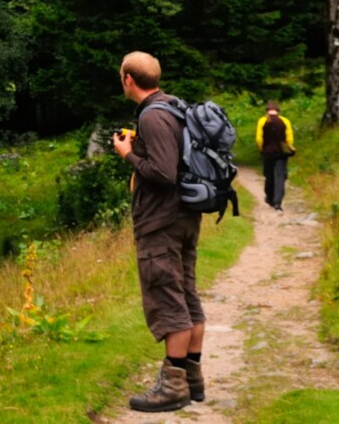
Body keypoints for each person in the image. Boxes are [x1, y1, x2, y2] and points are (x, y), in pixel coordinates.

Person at [112, 51, 204, 412]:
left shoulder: (152, 116)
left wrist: (127, 155)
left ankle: (173, 386)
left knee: (168, 298)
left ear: (128, 79)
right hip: (184, 217)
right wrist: (140, 147)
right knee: (186, 294)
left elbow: (164, 174)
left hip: (161, 222)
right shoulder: (173, 107)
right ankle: (193, 379)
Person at [255, 101, 295, 211]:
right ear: (278, 110)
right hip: (281, 153)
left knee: (269, 175)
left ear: (266, 111)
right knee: (280, 176)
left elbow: (259, 139)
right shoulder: (285, 121)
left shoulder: (262, 121)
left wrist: (261, 149)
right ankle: (278, 202)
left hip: (267, 152)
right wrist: (290, 148)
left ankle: (269, 197)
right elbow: (289, 139)